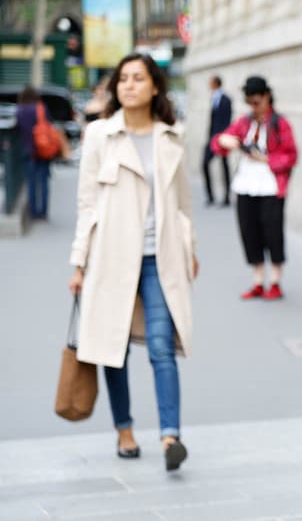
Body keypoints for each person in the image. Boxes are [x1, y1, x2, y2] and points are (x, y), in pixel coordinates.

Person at [68, 53, 198, 472]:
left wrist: (190, 248)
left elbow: (182, 203)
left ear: (155, 86)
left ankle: (170, 436)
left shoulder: (170, 136)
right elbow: (87, 204)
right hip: (109, 258)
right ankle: (124, 430)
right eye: (123, 78)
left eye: (138, 78)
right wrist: (78, 263)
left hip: (160, 259)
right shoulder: (99, 135)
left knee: (162, 346)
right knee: (114, 348)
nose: (128, 85)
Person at [211, 75, 297, 300]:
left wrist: (266, 159)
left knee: (273, 231)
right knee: (249, 231)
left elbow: (291, 155)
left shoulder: (280, 123)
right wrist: (223, 141)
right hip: (245, 184)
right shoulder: (244, 122)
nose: (253, 107)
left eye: (256, 102)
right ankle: (258, 280)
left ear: (267, 97)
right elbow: (219, 142)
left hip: (271, 185)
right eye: (249, 102)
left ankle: (275, 281)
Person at [15, 85, 52, 220]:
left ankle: (33, 212)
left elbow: (17, 129)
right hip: (42, 147)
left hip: (27, 148)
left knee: (31, 182)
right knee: (43, 181)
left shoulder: (19, 109)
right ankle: (43, 212)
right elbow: (49, 125)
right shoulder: (41, 108)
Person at [201, 75, 232, 206]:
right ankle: (210, 196)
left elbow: (226, 121)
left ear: (215, 84)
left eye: (210, 83)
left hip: (222, 138)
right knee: (204, 164)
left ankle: (227, 197)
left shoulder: (226, 100)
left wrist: (222, 138)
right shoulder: (213, 98)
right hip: (212, 138)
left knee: (224, 166)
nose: (209, 85)